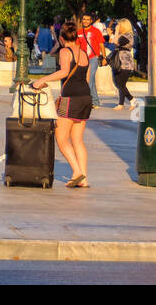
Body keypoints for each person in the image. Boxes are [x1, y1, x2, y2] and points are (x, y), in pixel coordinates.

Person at [32, 21, 91, 187]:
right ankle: (84, 178)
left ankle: (77, 171)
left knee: (61, 138)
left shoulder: (65, 51)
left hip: (70, 99)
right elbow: (86, 78)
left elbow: (64, 72)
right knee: (78, 140)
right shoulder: (83, 53)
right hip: (85, 98)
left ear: (62, 37)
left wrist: (41, 80)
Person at [76, 11, 106, 109]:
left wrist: (104, 57)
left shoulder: (96, 31)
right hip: (83, 59)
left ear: (91, 20)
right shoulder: (79, 32)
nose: (85, 21)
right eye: (84, 19)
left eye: (87, 19)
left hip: (93, 58)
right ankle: (96, 102)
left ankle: (86, 101)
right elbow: (77, 46)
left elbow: (101, 44)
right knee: (90, 80)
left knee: (90, 79)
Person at [112, 18, 137, 109]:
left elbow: (115, 42)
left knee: (120, 84)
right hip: (119, 61)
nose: (118, 27)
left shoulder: (128, 36)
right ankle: (121, 104)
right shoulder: (122, 35)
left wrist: (117, 31)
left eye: (120, 26)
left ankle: (132, 99)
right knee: (120, 84)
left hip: (125, 63)